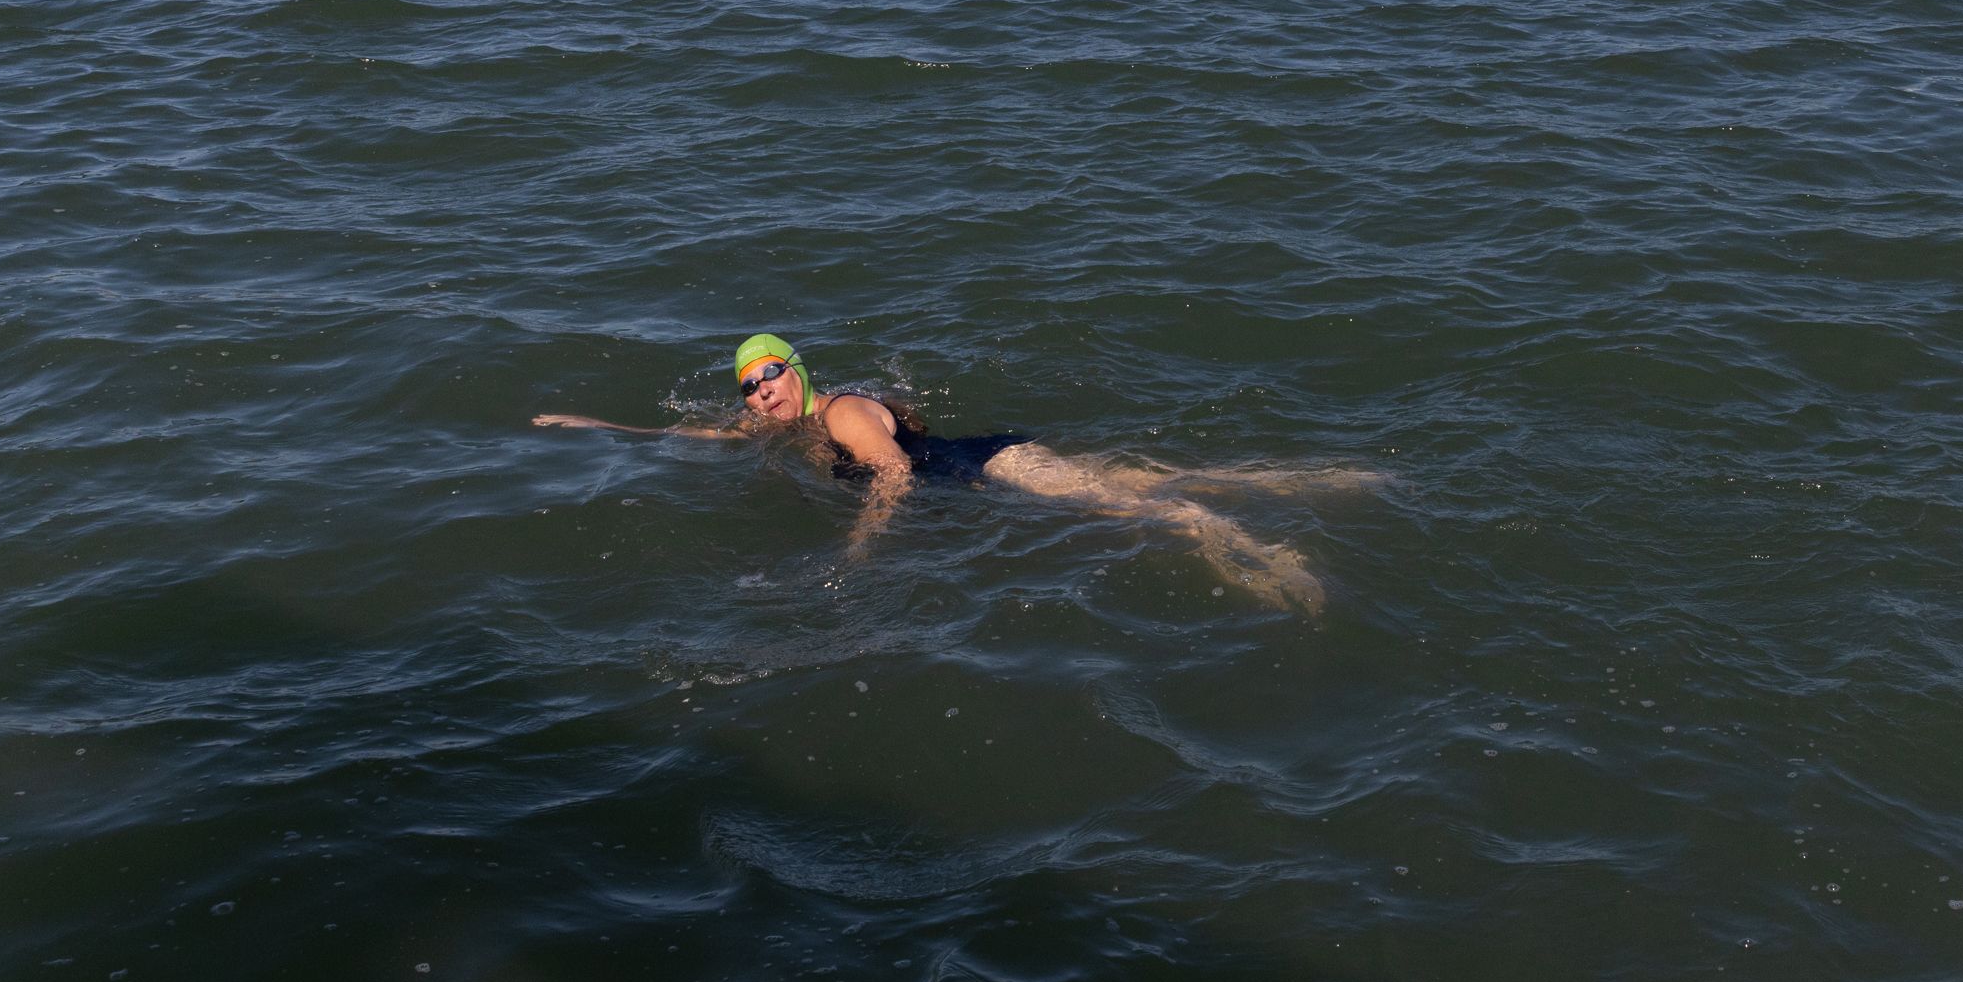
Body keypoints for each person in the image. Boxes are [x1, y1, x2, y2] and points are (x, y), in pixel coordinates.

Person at [532, 333, 1367, 614]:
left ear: (798, 369)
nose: (759, 394)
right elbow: (704, 434)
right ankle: (1318, 480)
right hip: (987, 458)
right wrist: (602, 424)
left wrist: (859, 550)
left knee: (1135, 508)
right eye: (748, 387)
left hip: (991, 465)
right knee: (1141, 481)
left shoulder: (844, 414)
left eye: (770, 375)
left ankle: (1251, 545)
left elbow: (892, 475)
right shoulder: (780, 426)